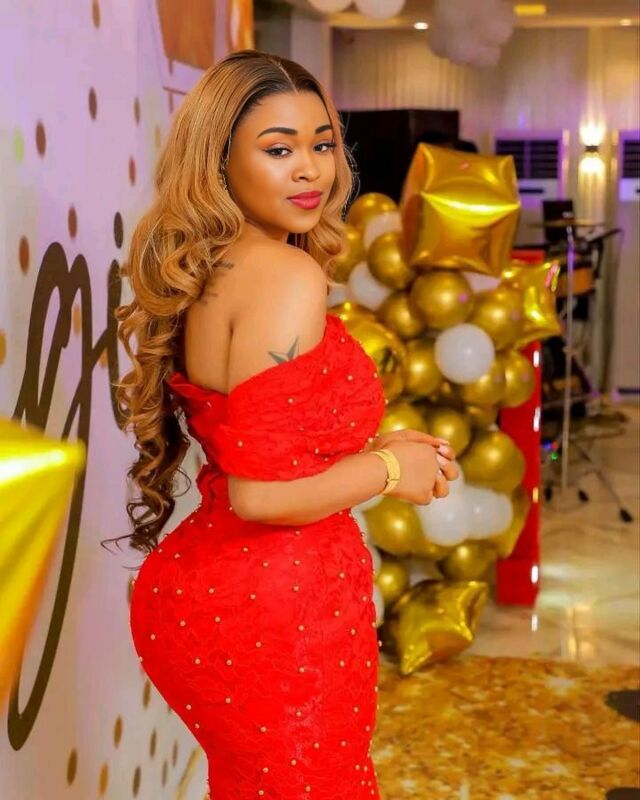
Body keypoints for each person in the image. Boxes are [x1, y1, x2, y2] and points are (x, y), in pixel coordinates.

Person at [108, 49, 458, 799]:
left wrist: (374, 447)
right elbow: (260, 495)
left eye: (322, 144)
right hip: (276, 607)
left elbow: (265, 444)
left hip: (218, 590)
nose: (311, 170)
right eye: (278, 149)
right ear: (218, 161)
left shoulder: (220, 263)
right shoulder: (286, 276)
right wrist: (389, 471)